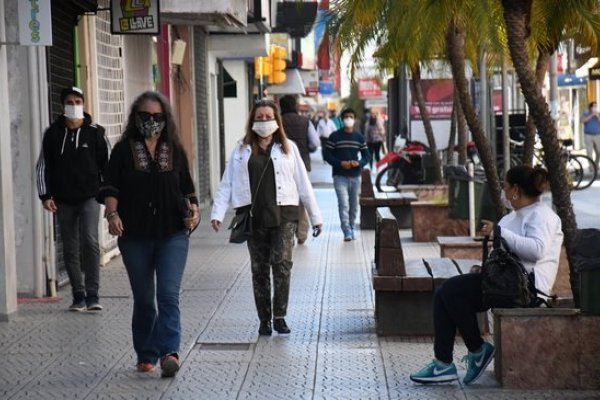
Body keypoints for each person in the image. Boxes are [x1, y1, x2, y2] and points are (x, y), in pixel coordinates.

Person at [410, 165, 563, 385]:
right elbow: (504, 255)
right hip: (507, 284)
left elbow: (537, 250)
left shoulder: (543, 216)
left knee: (451, 292)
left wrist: (499, 232)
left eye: (506, 186)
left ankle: (473, 351)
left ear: (516, 190)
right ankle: (446, 362)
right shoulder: (513, 216)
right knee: (445, 294)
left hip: (528, 289)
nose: (503, 191)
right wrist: (485, 269)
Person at [97, 91, 200, 377]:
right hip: (135, 236)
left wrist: (194, 211)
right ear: (135, 118)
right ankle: (146, 352)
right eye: (145, 116)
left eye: (157, 116)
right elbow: (110, 188)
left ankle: (170, 352)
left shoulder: (174, 150)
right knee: (144, 298)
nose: (151, 121)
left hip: (172, 234)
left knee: (168, 295)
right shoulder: (122, 151)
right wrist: (112, 214)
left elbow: (188, 190)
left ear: (165, 119)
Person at [210, 99, 323, 336]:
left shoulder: (288, 147)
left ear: (276, 120)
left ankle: (280, 316)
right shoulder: (241, 149)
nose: (263, 121)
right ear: (252, 121)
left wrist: (316, 217)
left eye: (268, 116)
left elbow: (303, 184)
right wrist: (217, 213)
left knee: (282, 265)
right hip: (254, 215)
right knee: (259, 269)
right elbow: (226, 183)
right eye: (259, 117)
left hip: (284, 215)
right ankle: (264, 319)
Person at [36, 86, 110, 312]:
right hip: (63, 200)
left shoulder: (96, 132)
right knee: (70, 247)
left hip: (90, 197)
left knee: (90, 241)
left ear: (84, 104)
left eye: (78, 101)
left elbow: (108, 168)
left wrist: (110, 197)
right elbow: (42, 167)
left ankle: (93, 294)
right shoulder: (52, 133)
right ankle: (78, 295)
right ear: (62, 105)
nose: (75, 105)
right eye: (70, 101)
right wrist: (45, 196)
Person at [324, 108, 370, 241]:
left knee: (354, 205)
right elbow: (327, 155)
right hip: (339, 176)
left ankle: (351, 226)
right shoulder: (335, 137)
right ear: (342, 119)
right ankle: (347, 231)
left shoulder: (359, 137)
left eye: (351, 116)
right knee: (343, 204)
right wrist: (340, 163)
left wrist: (359, 163)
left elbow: (367, 155)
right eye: (346, 117)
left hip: (355, 176)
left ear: (354, 119)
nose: (348, 119)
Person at [279, 95, 320, 245]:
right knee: (302, 197)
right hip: (303, 162)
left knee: (284, 197)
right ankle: (302, 233)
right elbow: (315, 142)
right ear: (295, 106)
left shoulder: (278, 122)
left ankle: (285, 230)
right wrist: (306, 148)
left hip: (281, 165)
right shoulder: (305, 122)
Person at [581, 101, 600, 171]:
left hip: (597, 135)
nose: (595, 107)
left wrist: (597, 116)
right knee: (589, 152)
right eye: (593, 106)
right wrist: (591, 115)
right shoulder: (585, 113)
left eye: (596, 106)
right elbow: (582, 121)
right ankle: (591, 167)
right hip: (588, 135)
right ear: (590, 107)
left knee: (598, 151)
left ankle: (596, 164)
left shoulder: (598, 114)